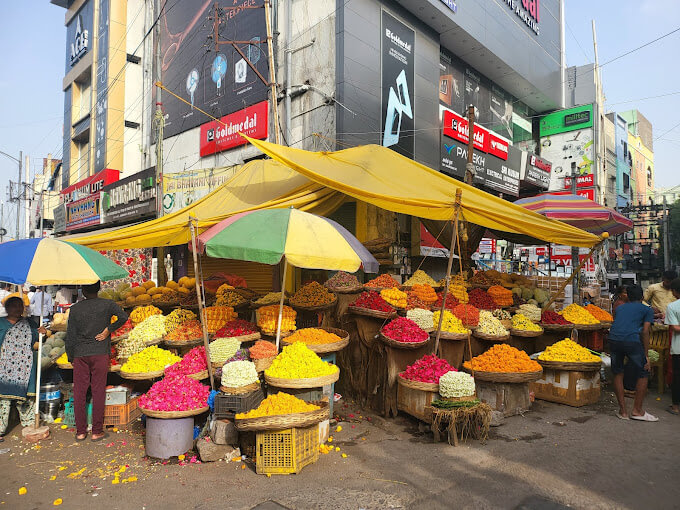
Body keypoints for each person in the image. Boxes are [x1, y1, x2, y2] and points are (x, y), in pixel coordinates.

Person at [65, 282, 127, 442]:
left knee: (79, 392)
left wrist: (70, 356)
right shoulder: (107, 304)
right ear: (98, 289)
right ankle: (96, 431)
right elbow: (123, 317)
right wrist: (108, 330)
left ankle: (80, 431)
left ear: (83, 290)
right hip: (100, 353)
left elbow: (70, 336)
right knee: (98, 390)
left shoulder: (75, 309)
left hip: (80, 354)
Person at [0, 297, 47, 441]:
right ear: (7, 308)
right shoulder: (1, 323)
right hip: (4, 366)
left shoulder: (30, 323)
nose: (17, 309)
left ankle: (29, 424)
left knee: (26, 398)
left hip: (24, 367)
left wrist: (43, 333)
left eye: (20, 306)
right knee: (3, 400)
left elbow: (36, 339)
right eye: (13, 306)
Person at [609, 284, 657, 421]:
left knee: (618, 373)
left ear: (628, 297)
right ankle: (637, 411)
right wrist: (646, 355)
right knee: (643, 372)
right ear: (642, 297)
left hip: (613, 339)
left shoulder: (620, 308)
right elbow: (645, 331)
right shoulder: (647, 310)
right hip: (631, 340)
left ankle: (623, 411)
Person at [664, 278, 680, 415]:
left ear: (675, 291)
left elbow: (675, 327)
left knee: (677, 376)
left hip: (678, 348)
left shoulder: (672, 307)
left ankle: (676, 406)